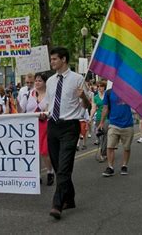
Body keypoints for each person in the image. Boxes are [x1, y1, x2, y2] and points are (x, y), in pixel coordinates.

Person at [44, 47, 90, 220]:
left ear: (63, 59)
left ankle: (57, 204)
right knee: (58, 167)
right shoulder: (50, 81)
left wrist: (83, 96)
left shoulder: (78, 79)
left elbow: (86, 106)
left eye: (55, 59)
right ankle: (69, 198)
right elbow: (48, 104)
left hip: (70, 126)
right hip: (53, 125)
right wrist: (42, 112)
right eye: (51, 59)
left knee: (64, 167)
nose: (52, 62)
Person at [20, 72, 54, 186]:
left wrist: (46, 114)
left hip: (45, 125)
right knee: (33, 152)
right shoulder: (29, 94)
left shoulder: (50, 95)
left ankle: (50, 171)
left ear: (45, 82)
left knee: (44, 151)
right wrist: (14, 102)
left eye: (40, 81)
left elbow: (51, 110)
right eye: (36, 81)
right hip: (31, 126)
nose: (37, 83)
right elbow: (21, 110)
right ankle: (37, 175)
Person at [98, 89, 134, 177]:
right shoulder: (109, 92)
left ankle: (124, 165)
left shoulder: (130, 90)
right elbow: (105, 108)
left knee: (127, 147)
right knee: (110, 146)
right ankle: (110, 167)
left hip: (128, 124)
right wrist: (101, 122)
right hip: (113, 124)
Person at [89, 81, 108, 161]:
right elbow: (93, 108)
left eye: (101, 86)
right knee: (100, 136)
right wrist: (90, 117)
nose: (99, 88)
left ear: (104, 87)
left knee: (105, 137)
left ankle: (103, 153)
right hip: (98, 118)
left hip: (107, 118)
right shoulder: (95, 97)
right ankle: (103, 152)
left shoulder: (107, 95)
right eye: (98, 86)